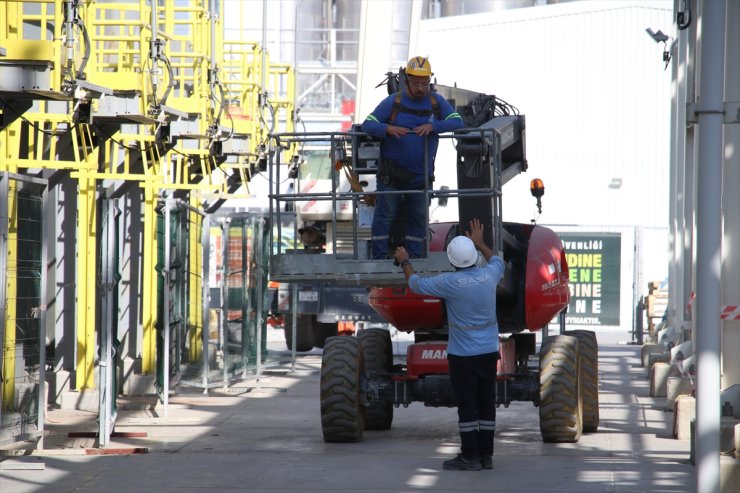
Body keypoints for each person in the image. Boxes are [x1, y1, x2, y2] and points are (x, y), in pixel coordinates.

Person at [394, 219, 505, 471]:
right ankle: (486, 456)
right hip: (488, 353)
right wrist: (481, 243)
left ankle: (469, 456)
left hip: (463, 357)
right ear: (474, 257)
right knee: (486, 403)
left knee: (467, 405)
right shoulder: (489, 275)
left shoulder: (449, 283)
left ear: (452, 261)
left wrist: (405, 261)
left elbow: (415, 284)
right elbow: (497, 260)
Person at [362, 56, 464, 259]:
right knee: (385, 217)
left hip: (420, 177)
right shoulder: (394, 102)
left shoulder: (436, 102)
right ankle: (379, 258)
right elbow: (368, 124)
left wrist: (433, 126)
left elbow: (457, 121)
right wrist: (388, 128)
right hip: (391, 176)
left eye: (424, 83)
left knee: (417, 218)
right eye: (416, 83)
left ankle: (415, 258)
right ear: (406, 80)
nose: (420, 88)